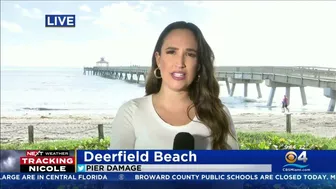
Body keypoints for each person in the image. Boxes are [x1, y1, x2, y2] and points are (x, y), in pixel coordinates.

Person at [109, 21, 239, 150]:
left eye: (190, 54)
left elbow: (235, 169)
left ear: (198, 64)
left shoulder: (219, 114)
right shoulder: (131, 113)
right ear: (158, 59)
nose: (180, 63)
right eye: (172, 52)